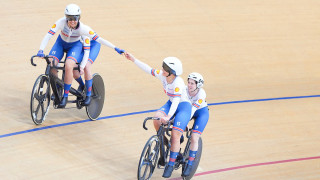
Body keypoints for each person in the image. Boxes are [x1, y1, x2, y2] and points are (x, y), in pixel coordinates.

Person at [36, 4, 124, 108]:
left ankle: (71, 96)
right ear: (66, 17)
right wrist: (41, 49)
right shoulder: (60, 22)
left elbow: (99, 40)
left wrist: (115, 48)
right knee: (51, 63)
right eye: (69, 18)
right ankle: (58, 86)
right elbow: (48, 35)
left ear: (79, 18)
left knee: (72, 66)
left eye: (75, 18)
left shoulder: (84, 29)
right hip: (61, 43)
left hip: (81, 46)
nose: (72, 21)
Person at [124, 52, 191, 178]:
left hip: (183, 106)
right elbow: (148, 69)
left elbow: (177, 102)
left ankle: (170, 165)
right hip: (170, 103)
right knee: (156, 119)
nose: (162, 70)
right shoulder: (163, 76)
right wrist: (133, 59)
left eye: (165, 69)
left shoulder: (178, 83)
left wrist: (168, 117)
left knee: (176, 135)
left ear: (172, 72)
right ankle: (166, 143)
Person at [182, 72, 209, 177]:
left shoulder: (202, 94)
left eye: (192, 83)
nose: (189, 85)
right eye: (188, 82)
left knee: (194, 137)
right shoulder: (184, 90)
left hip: (201, 113)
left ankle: (190, 163)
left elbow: (193, 109)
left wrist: (186, 121)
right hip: (188, 110)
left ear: (198, 85)